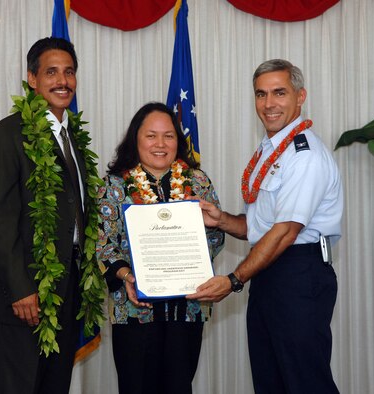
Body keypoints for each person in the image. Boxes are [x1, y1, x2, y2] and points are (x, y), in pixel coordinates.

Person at [187, 59, 343, 394]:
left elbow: (286, 231)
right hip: (270, 271)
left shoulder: (304, 155)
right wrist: (222, 220)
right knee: (271, 381)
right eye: (261, 94)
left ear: (300, 97)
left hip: (298, 274)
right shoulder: (271, 149)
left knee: (305, 382)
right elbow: (260, 226)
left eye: (279, 93)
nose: (269, 103)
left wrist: (233, 280)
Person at [0, 37, 87, 393]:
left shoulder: (72, 139)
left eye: (69, 72)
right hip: (24, 298)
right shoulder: (7, 136)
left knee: (54, 387)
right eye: (51, 71)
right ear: (31, 79)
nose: (62, 81)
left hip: (66, 292)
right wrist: (21, 289)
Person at [96, 102, 225, 394]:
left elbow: (216, 242)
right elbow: (103, 245)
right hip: (135, 310)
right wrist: (128, 276)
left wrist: (211, 227)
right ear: (135, 139)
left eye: (168, 136)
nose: (160, 144)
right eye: (151, 135)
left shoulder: (198, 181)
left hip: (188, 310)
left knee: (180, 387)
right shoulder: (114, 186)